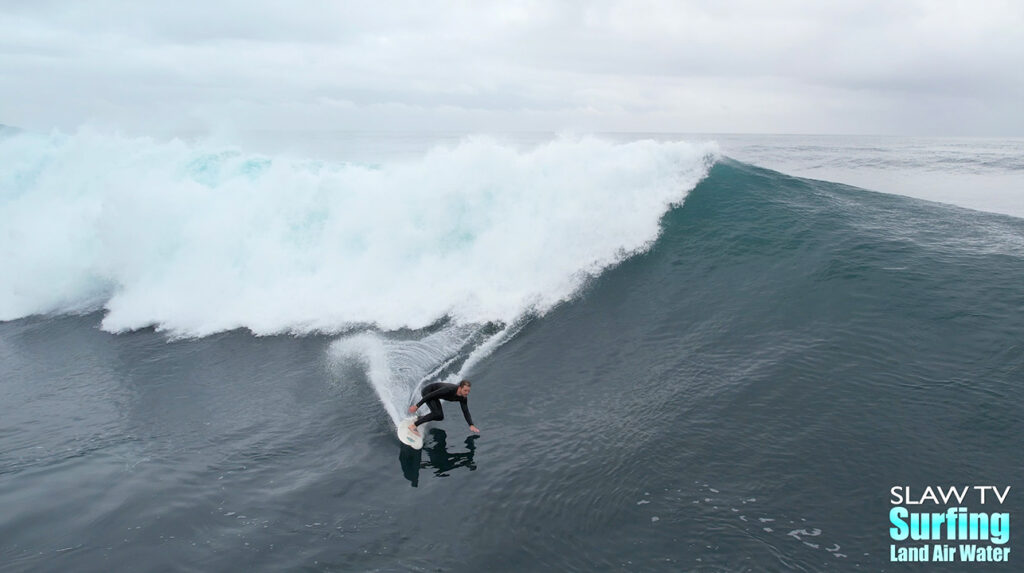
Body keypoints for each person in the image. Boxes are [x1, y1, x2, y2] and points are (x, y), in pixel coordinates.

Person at [407, 379, 480, 436]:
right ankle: (413, 426)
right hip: (428, 392)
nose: (467, 393)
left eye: (468, 391)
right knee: (436, 413)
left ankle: (420, 418)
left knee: (440, 417)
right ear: (460, 388)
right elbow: (431, 395)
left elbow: (465, 411)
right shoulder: (449, 389)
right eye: (465, 390)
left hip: (435, 397)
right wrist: (417, 406)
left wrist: (471, 424)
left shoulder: (463, 398)